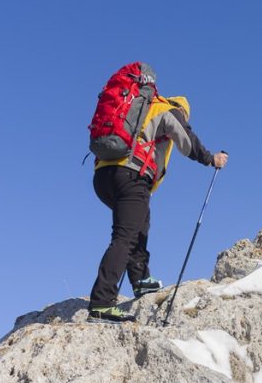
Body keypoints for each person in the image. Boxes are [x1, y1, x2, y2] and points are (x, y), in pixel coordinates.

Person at [88, 94, 228, 323]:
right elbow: (187, 141)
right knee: (124, 237)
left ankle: (141, 280)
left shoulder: (142, 110)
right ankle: (102, 302)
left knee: (139, 225)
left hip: (104, 176)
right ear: (182, 111)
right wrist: (211, 159)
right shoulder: (168, 110)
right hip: (131, 175)